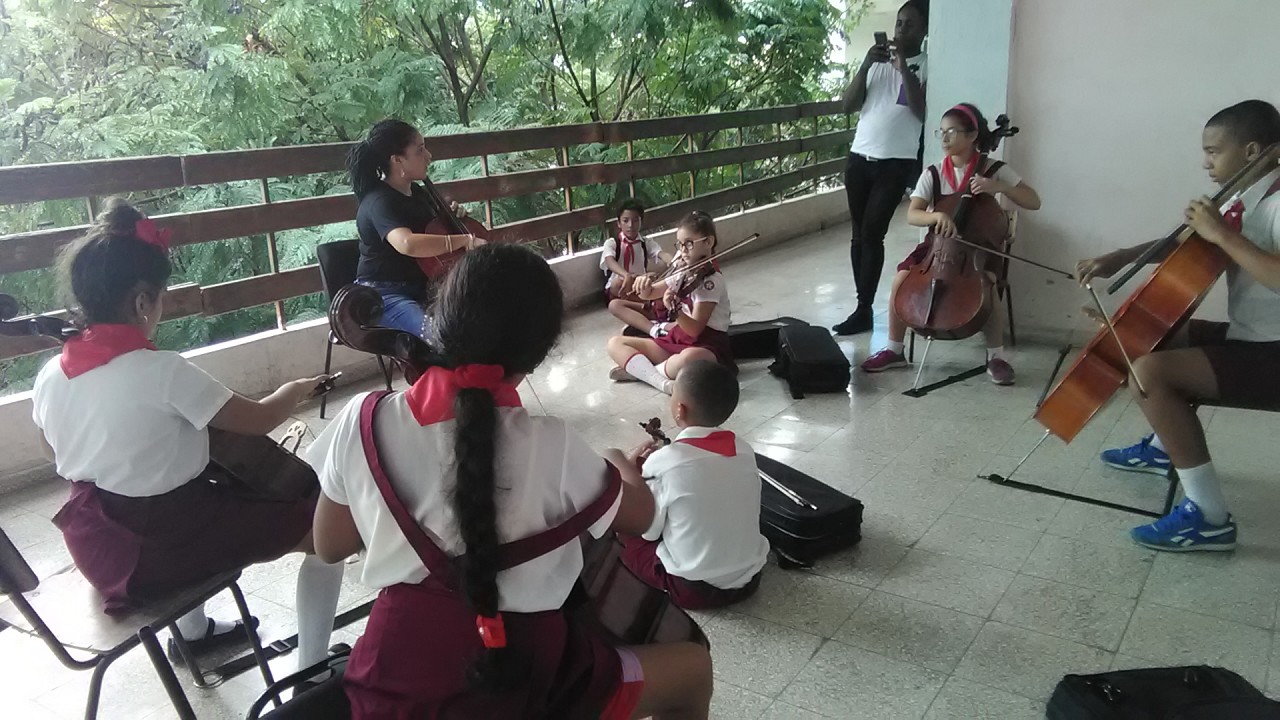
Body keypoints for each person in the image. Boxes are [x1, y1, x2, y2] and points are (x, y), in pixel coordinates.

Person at [307, 244, 713, 719]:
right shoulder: (555, 446)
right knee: (692, 669)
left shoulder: (362, 419)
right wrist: (615, 460)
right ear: (537, 356)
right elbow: (643, 516)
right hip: (530, 677)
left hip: (392, 680)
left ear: (439, 321)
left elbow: (329, 545)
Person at [30, 200, 343, 673]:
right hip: (162, 545)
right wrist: (292, 390)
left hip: (96, 542)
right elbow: (258, 419)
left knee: (192, 496)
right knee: (327, 534)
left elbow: (51, 450)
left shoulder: (51, 373)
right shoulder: (162, 371)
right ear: (141, 301)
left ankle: (194, 635)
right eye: (160, 298)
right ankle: (313, 667)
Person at [1078, 100, 1280, 552]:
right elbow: (1189, 243)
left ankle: (1209, 518)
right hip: (1255, 338)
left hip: (1273, 353)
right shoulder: (1245, 197)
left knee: (1150, 373)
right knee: (1154, 334)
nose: (1205, 162)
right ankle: (1164, 445)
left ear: (1251, 151)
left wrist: (1222, 235)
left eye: (1213, 151)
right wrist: (1122, 257)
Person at [860, 103, 1041, 385]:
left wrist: (1001, 188)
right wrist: (936, 215)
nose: (944, 139)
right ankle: (895, 351)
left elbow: (1034, 201)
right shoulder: (933, 173)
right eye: (941, 132)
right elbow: (912, 214)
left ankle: (996, 357)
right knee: (901, 280)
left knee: (988, 287)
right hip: (937, 249)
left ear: (971, 136)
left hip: (978, 253)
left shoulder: (994, 170)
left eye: (952, 132)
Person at [619, 360, 768, 610]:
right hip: (750, 580)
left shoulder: (664, 462)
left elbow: (649, 531)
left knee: (624, 532)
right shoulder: (744, 449)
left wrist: (631, 476)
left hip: (693, 589)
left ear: (679, 409)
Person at [833, 0, 929, 336]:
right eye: (899, 23)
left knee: (874, 233)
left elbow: (920, 111)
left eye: (910, 25)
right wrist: (863, 66)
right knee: (859, 235)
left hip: (895, 163)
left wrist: (904, 68)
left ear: (925, 31)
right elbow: (847, 104)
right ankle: (861, 307)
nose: (901, 30)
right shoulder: (875, 64)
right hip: (860, 158)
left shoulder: (927, 66)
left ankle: (863, 307)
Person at [347, 119, 484, 342]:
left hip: (425, 287)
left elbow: (434, 236)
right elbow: (407, 243)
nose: (429, 156)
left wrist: (452, 218)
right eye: (420, 150)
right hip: (384, 296)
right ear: (397, 160)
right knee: (441, 338)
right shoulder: (379, 201)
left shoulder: (420, 194)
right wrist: (462, 240)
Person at [606, 211, 734, 395]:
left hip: (706, 344)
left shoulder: (710, 281)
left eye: (689, 244)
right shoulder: (684, 270)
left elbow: (695, 329)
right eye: (680, 245)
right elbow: (651, 293)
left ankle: (646, 374)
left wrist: (676, 312)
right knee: (615, 343)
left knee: (692, 358)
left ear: (708, 242)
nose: (682, 251)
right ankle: (657, 378)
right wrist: (644, 286)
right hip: (678, 337)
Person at [604, 199, 671, 333]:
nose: (631, 225)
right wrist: (626, 275)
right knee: (618, 284)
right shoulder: (612, 243)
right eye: (625, 220)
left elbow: (662, 254)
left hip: (640, 285)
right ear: (618, 223)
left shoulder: (645, 243)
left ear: (641, 221)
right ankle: (654, 306)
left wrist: (674, 261)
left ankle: (651, 309)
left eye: (635, 220)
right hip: (621, 288)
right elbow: (609, 261)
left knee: (657, 279)